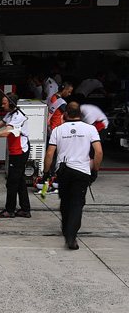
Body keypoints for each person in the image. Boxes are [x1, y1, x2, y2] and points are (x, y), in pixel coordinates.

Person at [42, 101, 102, 250]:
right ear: (80, 114)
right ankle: (71, 237)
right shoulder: (90, 129)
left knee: (65, 201)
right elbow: (99, 152)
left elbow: (50, 153)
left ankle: (66, 228)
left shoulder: (58, 130)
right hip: (81, 172)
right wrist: (95, 170)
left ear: (65, 114)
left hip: (64, 171)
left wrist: (45, 173)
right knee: (77, 204)